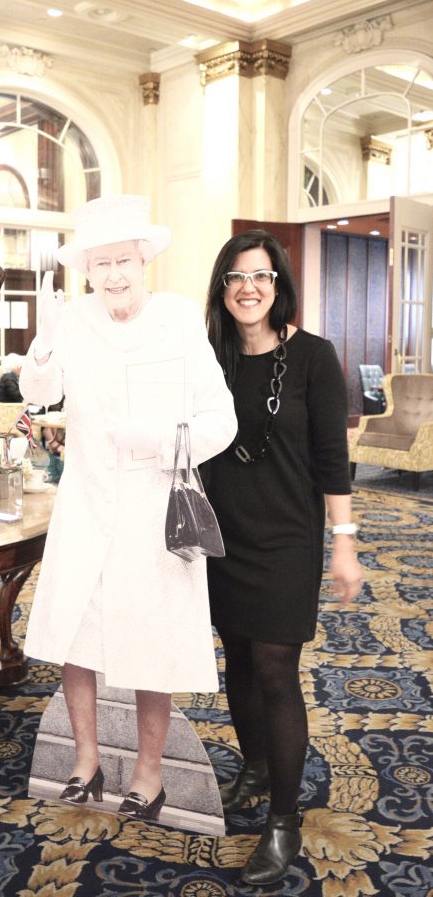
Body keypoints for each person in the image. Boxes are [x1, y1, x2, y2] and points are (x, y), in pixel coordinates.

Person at [20, 194, 237, 821]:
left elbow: (221, 418)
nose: (113, 274)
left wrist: (170, 444)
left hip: (153, 505)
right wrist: (43, 344)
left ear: (144, 259)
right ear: (86, 267)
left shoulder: (176, 320)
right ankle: (85, 763)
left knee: (152, 642)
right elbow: (38, 395)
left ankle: (149, 772)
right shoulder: (77, 319)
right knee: (77, 640)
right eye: (100, 262)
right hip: (85, 502)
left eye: (123, 259)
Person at [201, 229, 362, 885]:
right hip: (217, 534)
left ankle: (282, 820)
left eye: (261, 276)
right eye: (236, 276)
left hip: (286, 537)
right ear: (220, 286)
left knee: (274, 666)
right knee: (235, 655)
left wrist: (344, 544)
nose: (248, 287)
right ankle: (255, 764)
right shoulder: (204, 356)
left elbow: (331, 457)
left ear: (279, 285)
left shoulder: (314, 357)